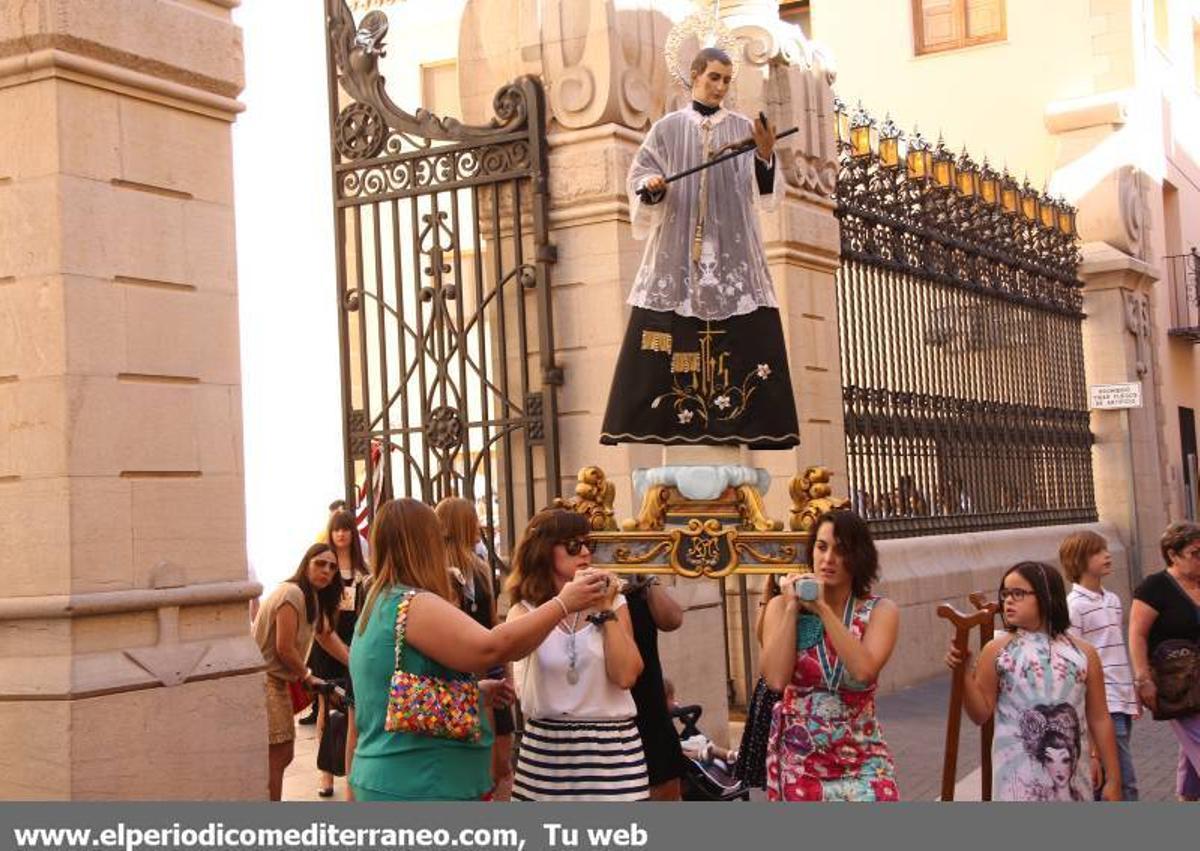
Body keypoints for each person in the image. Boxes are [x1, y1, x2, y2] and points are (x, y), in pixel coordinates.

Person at [599, 47, 799, 448]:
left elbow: (765, 192)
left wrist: (763, 155)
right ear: (694, 76)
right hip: (677, 253)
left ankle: (736, 423)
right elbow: (642, 174)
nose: (720, 87)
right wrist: (652, 187)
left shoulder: (743, 128)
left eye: (726, 80)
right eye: (713, 77)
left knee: (744, 341)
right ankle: (672, 422)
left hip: (731, 256)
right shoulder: (667, 128)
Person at [345, 498, 608, 801]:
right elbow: (492, 648)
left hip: (396, 777)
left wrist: (478, 692)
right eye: (439, 539)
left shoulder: (379, 603)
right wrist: (564, 603)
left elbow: (398, 696)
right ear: (425, 544)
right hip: (420, 785)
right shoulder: (413, 603)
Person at [945, 561, 1121, 801]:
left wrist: (1113, 776)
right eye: (1005, 593)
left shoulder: (1084, 654)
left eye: (1018, 593)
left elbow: (1099, 717)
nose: (1008, 600)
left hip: (1074, 783)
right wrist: (964, 674)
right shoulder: (997, 650)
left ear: (1047, 596)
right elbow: (980, 714)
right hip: (1015, 785)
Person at [505, 508, 648, 801]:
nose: (584, 551)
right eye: (572, 544)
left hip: (612, 756)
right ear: (544, 550)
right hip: (545, 754)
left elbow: (626, 675)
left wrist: (605, 609)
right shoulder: (523, 611)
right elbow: (509, 652)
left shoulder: (614, 601)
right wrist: (563, 603)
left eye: (588, 544)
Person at [759, 510, 900, 801]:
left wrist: (823, 608)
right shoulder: (780, 608)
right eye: (822, 547)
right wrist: (790, 609)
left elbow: (864, 671)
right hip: (799, 761)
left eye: (841, 550)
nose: (828, 559)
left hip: (863, 758)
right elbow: (775, 678)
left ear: (859, 557)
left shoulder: (880, 611)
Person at [250, 543, 349, 801]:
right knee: (279, 753)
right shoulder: (292, 592)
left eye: (332, 567)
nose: (326, 571)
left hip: (277, 682)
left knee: (280, 754)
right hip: (266, 680)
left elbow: (326, 637)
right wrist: (308, 675)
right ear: (306, 564)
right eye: (320, 563)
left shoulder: (311, 598)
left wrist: (356, 663)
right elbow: (284, 647)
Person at [435, 496, 517, 801]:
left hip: (489, 663)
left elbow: (493, 621)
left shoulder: (481, 569)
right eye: (473, 520)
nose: (479, 527)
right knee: (477, 765)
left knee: (501, 760)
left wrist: (506, 672)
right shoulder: (436, 572)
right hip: (459, 674)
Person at [1060, 530, 1139, 800]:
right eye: (1097, 552)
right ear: (1078, 561)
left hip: (1122, 699)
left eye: (1106, 549)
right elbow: (1076, 663)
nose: (1107, 555)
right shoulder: (1074, 607)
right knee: (1123, 781)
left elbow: (1116, 653)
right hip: (1102, 703)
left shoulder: (1113, 600)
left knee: (1112, 778)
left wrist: (1131, 696)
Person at [1128, 522, 1200, 801]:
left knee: (1190, 745)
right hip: (1176, 683)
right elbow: (1137, 634)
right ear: (1173, 554)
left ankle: (1188, 796)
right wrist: (1143, 679)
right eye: (1195, 553)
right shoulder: (1154, 587)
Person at [309, 509, 371, 797]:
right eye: (337, 529)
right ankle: (326, 775)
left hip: (354, 641)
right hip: (328, 643)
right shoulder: (327, 569)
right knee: (325, 706)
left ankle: (349, 770)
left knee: (351, 708)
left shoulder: (364, 571)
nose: (342, 534)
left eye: (346, 529)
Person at [623, 574, 686, 800]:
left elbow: (673, 619)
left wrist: (648, 578)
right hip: (609, 714)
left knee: (664, 788)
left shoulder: (635, 588)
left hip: (649, 709)